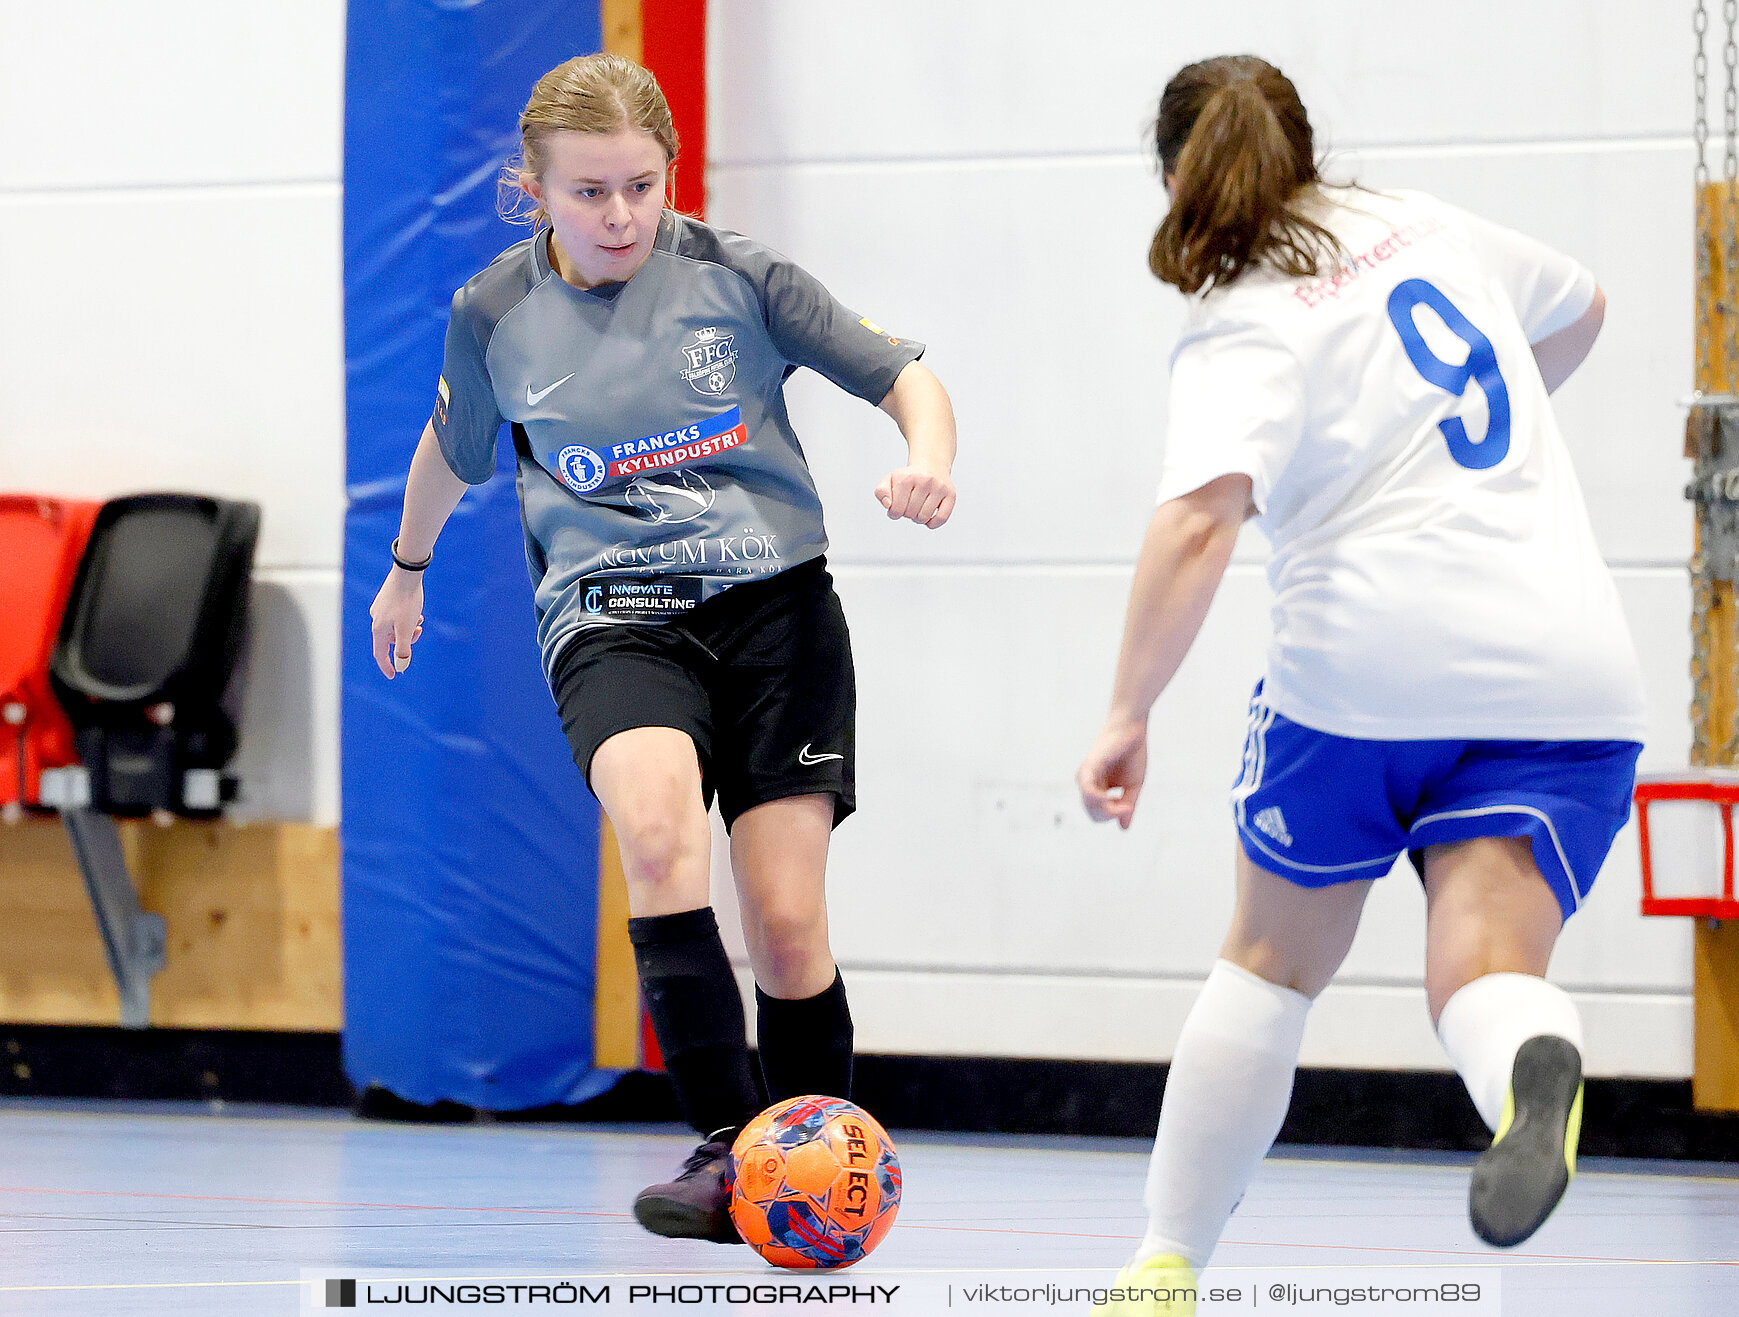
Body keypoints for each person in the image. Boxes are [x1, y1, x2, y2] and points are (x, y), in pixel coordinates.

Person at [1076, 55, 1645, 1311]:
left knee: (1270, 964)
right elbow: (1586, 306)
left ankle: (1164, 1267)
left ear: (1178, 178)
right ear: (1308, 147)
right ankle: (1533, 1055)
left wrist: (1127, 713)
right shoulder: (1424, 223)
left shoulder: (1238, 312)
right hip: (1569, 669)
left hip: (1367, 672)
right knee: (1484, 974)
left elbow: (1197, 526)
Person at [367, 52, 957, 1245]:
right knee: (655, 831)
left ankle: (810, 1155)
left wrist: (929, 460)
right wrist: (405, 570)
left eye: (641, 185)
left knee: (786, 922)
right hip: (614, 616)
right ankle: (723, 1149)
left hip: (774, 611)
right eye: (589, 192)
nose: (621, 214)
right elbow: (448, 450)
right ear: (533, 190)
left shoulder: (738, 276)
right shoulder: (494, 313)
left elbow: (907, 379)